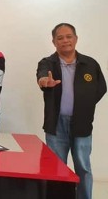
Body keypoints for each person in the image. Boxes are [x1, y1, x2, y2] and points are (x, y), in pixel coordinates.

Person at [36, 23, 106, 199]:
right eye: (60, 38)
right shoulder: (47, 63)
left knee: (83, 167)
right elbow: (42, 76)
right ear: (54, 42)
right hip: (56, 125)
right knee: (57, 168)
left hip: (81, 125)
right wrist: (45, 81)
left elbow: (101, 88)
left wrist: (84, 107)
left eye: (69, 36)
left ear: (76, 39)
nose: (65, 41)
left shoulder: (90, 64)